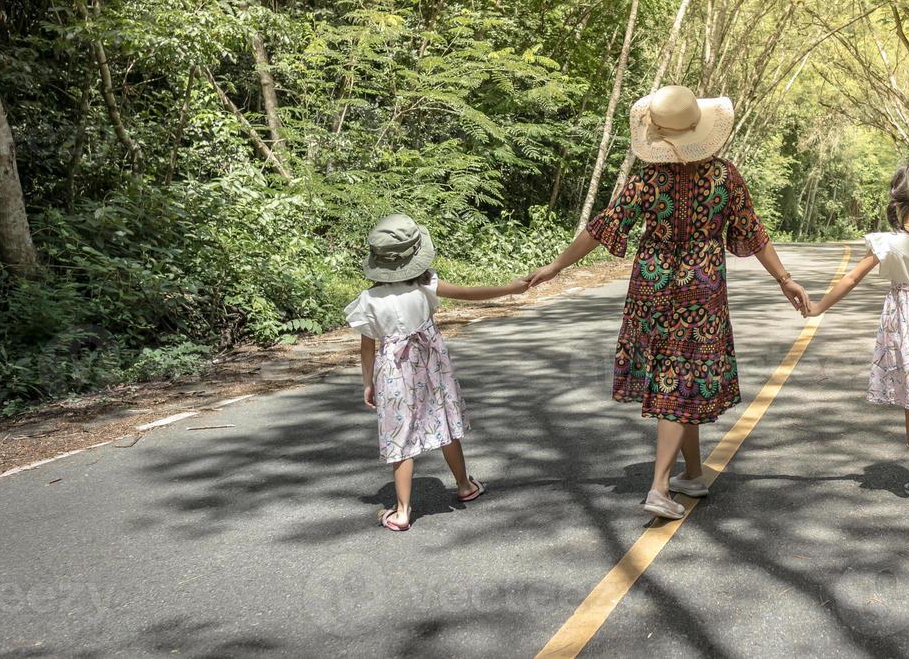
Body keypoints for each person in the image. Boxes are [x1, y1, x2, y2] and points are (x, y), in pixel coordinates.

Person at [528, 85, 810, 519]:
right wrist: (784, 279)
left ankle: (692, 474)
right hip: (702, 292)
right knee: (681, 379)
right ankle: (661, 486)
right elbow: (753, 233)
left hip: (653, 290)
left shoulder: (646, 178)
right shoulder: (724, 177)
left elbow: (603, 227)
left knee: (676, 379)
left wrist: (556, 266)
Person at [345, 213, 529, 531]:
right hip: (431, 367)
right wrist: (510, 288)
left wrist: (368, 382)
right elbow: (471, 293)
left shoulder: (369, 300)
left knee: (399, 436)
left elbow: (367, 348)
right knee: (443, 422)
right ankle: (464, 485)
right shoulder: (426, 285)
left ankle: (402, 511)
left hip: (393, 373)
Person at [806, 163, 909, 500]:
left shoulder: (889, 243)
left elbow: (852, 279)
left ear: (897, 201)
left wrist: (818, 307)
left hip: (906, 322)